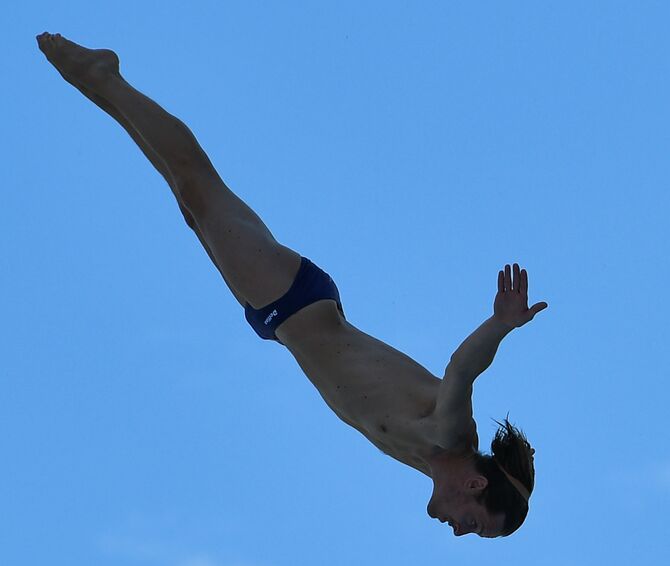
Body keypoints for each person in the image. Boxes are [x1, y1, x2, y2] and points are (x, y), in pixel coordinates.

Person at [36, 32, 548, 538]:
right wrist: (500, 326)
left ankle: (102, 87)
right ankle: (103, 76)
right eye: (473, 523)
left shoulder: (425, 460)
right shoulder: (450, 434)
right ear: (475, 484)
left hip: (280, 321)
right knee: (199, 186)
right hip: (297, 301)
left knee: (191, 202)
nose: (458, 531)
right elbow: (461, 370)